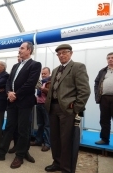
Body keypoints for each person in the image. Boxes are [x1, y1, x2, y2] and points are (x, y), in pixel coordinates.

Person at [0, 41, 42, 169]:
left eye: (22, 48)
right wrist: (9, 93)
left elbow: (30, 83)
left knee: (23, 130)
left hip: (24, 102)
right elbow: (9, 81)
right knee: (9, 128)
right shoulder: (16, 66)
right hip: (12, 101)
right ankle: (0, 153)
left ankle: (20, 155)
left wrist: (15, 94)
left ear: (29, 50)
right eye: (19, 48)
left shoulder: (35, 65)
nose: (19, 50)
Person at [44, 44, 90, 173]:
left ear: (71, 53)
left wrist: (76, 108)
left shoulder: (78, 67)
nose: (62, 55)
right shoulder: (55, 70)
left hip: (67, 110)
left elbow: (84, 91)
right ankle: (57, 162)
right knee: (55, 138)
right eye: (59, 53)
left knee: (67, 140)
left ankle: (66, 168)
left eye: (65, 52)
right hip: (52, 108)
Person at [30, 67, 51, 152]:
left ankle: (47, 144)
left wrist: (42, 89)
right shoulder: (41, 82)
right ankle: (38, 140)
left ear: (49, 73)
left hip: (46, 105)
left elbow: (51, 92)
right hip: (39, 104)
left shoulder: (50, 82)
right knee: (40, 124)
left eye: (45, 73)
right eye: (42, 73)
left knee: (47, 125)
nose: (43, 75)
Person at [94, 52, 113, 145]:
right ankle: (105, 139)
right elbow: (96, 83)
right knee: (104, 120)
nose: (110, 59)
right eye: (108, 58)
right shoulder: (102, 71)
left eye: (112, 58)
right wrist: (97, 95)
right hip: (104, 98)